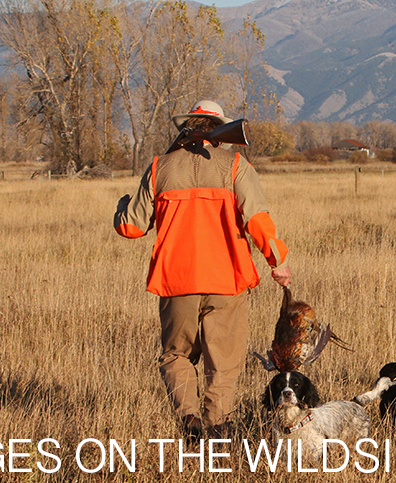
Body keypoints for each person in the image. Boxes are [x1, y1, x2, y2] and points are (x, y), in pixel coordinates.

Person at [114, 100, 291, 440]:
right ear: (220, 131)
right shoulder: (235, 165)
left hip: (176, 280)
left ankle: (190, 420)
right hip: (228, 278)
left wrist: (123, 203)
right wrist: (278, 262)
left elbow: (131, 227)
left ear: (187, 128)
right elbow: (257, 220)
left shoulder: (159, 167)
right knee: (223, 363)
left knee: (176, 355)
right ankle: (218, 427)